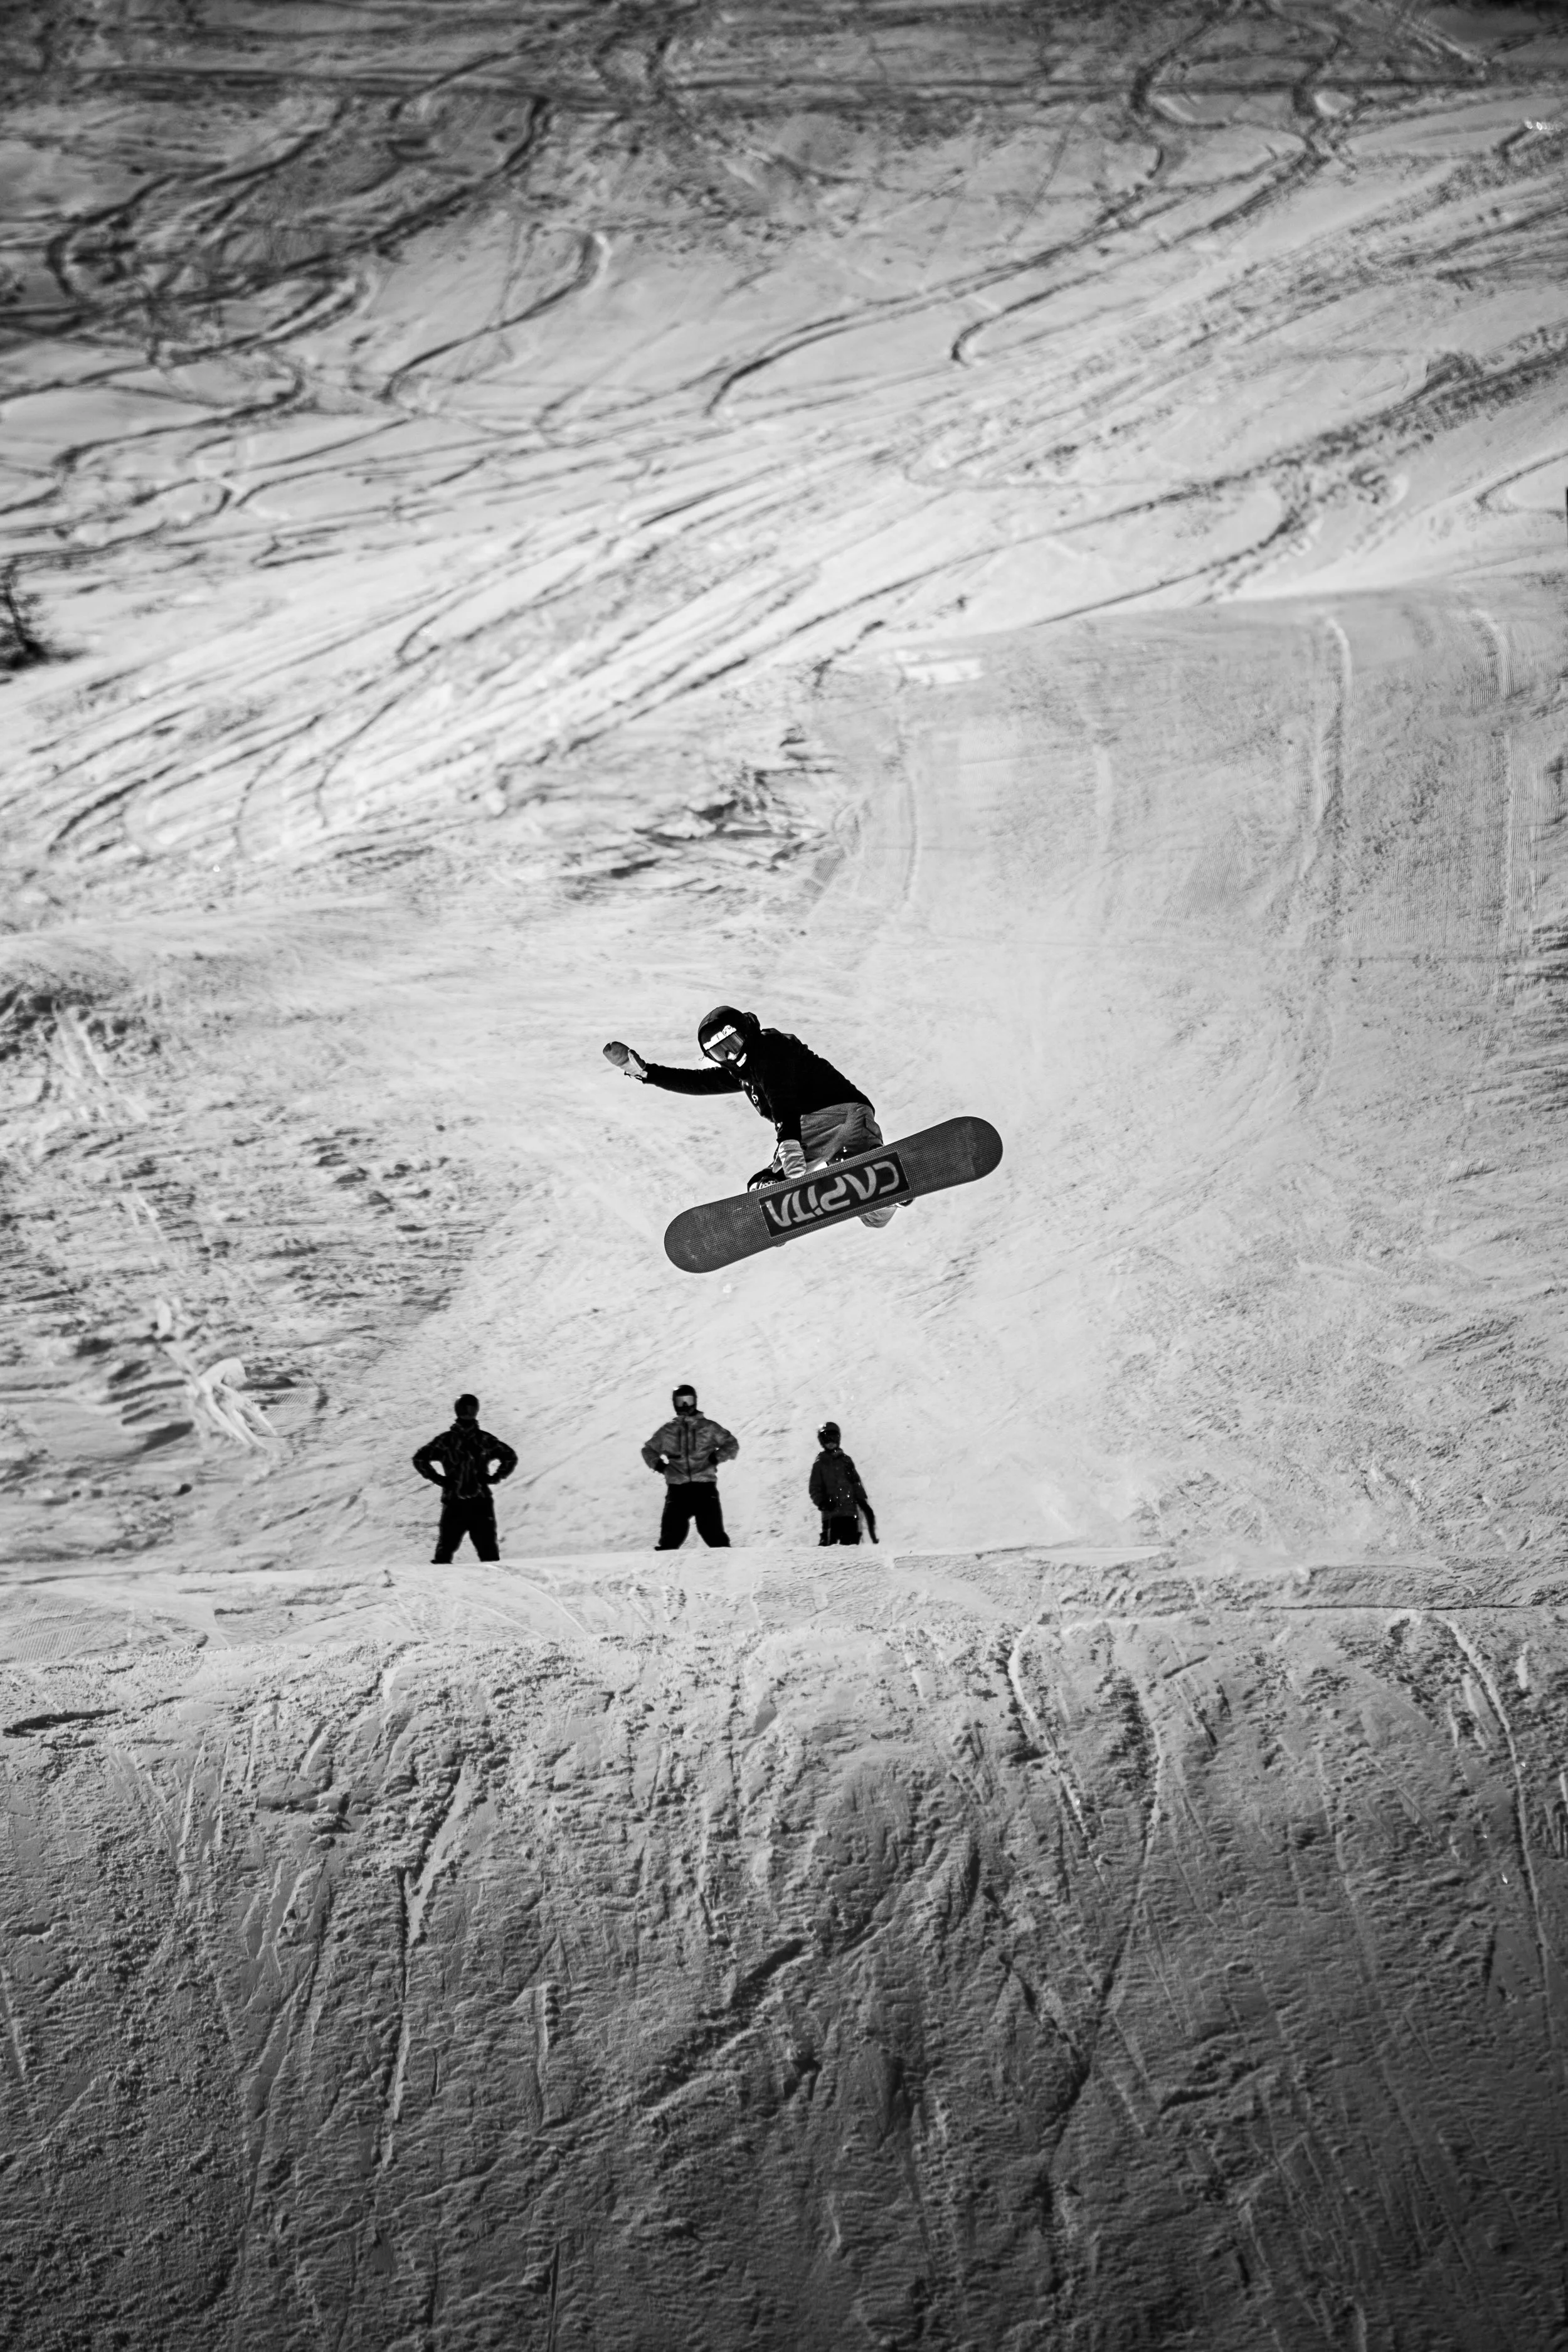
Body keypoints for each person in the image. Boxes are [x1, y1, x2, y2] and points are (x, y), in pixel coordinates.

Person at [604, 1005, 899, 1229]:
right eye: (720, 1053)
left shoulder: (769, 1050)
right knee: (873, 1214)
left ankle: (774, 1189)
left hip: (821, 1118)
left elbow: (781, 1094)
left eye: (732, 1044)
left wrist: (789, 1144)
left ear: (748, 1032)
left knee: (769, 1181)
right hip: (856, 1114)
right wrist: (648, 1073)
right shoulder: (747, 1071)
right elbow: (699, 1083)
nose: (731, 1056)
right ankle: (889, 1185)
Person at [412, 1393, 517, 1563]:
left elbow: (510, 1457)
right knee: (456, 1552)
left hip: (468, 1503)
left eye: (470, 1408)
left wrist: (441, 1480)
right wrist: (494, 1478)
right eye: (465, 1408)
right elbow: (420, 1459)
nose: (468, 1412)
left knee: (482, 1553)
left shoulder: (455, 1440)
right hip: (467, 1503)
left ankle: (494, 1586)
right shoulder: (476, 1440)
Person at [641, 1383, 738, 1549]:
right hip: (678, 1491)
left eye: (688, 1400)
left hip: (705, 1488)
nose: (685, 1405)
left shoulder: (708, 1428)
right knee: (670, 1539)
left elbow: (732, 1444)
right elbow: (648, 1449)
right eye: (681, 1401)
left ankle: (725, 1569)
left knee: (714, 1536)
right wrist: (661, 1467)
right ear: (675, 1403)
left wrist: (716, 1458)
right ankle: (664, 1571)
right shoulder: (668, 1431)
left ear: (695, 1401)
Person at [809, 1421, 877, 1546]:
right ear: (821, 1441)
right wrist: (822, 1502)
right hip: (831, 1515)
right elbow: (815, 1488)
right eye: (826, 1439)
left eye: (833, 1438)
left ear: (838, 1438)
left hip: (850, 1514)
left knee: (851, 1546)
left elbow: (855, 1482)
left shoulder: (846, 1461)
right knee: (831, 1548)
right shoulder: (820, 1463)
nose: (830, 1442)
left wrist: (862, 1501)